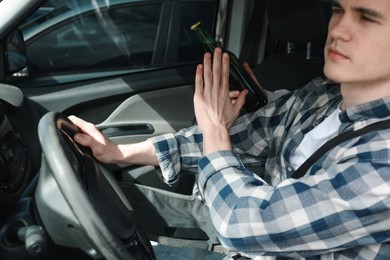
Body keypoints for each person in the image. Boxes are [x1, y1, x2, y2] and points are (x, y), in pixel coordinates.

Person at [70, 0, 390, 258]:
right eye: (337, 10)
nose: (338, 29)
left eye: (367, 17)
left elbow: (243, 222)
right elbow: (246, 137)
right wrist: (119, 152)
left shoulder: (383, 166)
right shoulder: (321, 95)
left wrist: (214, 130)